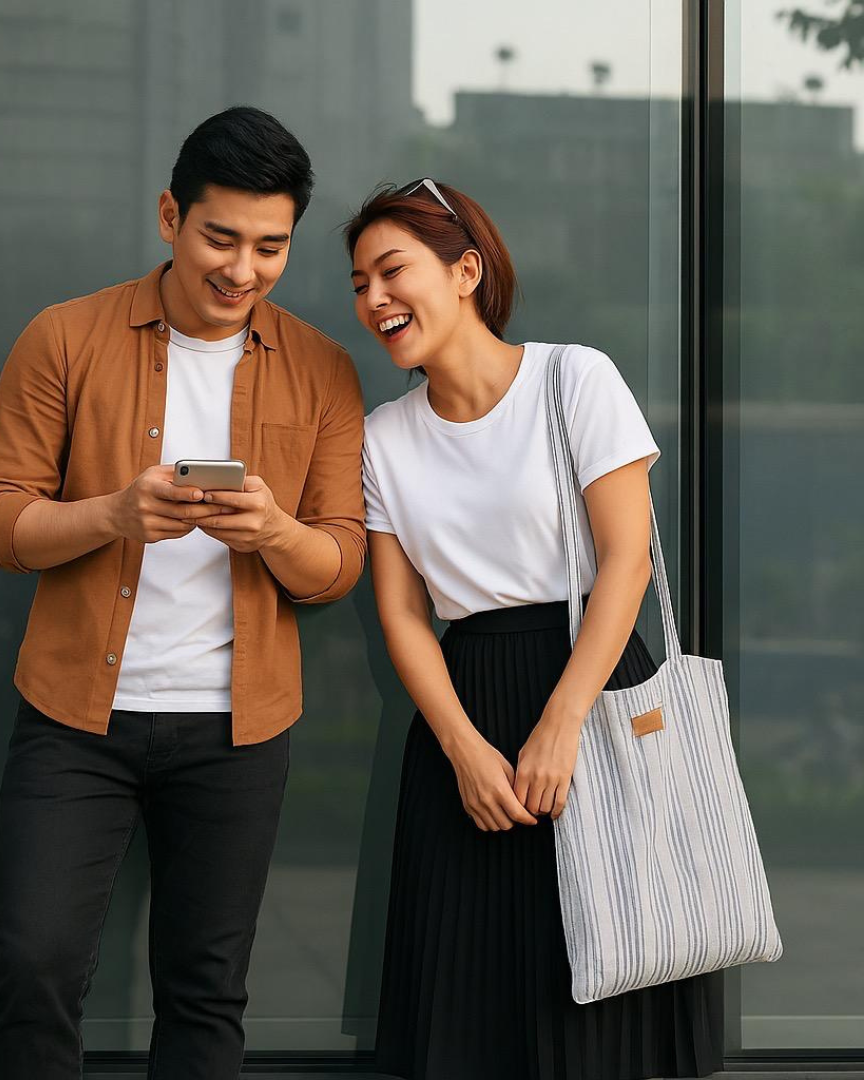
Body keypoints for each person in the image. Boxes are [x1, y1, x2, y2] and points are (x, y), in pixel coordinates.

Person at [0, 106, 366, 1080]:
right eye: (220, 237)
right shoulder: (64, 338)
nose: (242, 269)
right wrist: (114, 516)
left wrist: (273, 531)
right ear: (169, 218)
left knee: (205, 990)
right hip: (74, 719)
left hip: (238, 731)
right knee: (35, 968)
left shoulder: (320, 370)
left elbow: (339, 565)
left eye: (270, 247)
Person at [345, 178, 723, 1080]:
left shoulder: (573, 377)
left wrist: (561, 725)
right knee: (468, 999)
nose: (374, 301)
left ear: (466, 269)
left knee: (605, 975)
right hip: (461, 710)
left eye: (392, 271)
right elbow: (400, 611)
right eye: (358, 285)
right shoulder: (382, 437)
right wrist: (465, 751)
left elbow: (627, 563)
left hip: (590, 684)